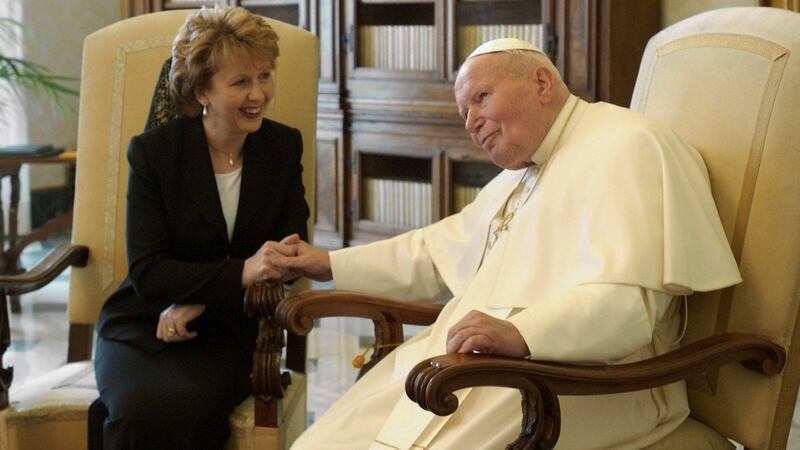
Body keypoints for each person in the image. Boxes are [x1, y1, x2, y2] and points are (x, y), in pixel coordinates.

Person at [276, 38, 742, 449]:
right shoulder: (518, 177)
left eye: (482, 98)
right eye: (464, 113)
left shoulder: (628, 145)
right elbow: (436, 253)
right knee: (323, 441)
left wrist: (523, 332)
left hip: (582, 380)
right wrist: (329, 262)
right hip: (479, 365)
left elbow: (630, 310)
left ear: (541, 83)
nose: (471, 122)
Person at [93, 7, 308, 449]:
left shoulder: (283, 147)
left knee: (178, 406)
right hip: (141, 324)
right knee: (135, 409)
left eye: (264, 76)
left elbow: (287, 256)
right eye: (241, 82)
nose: (259, 94)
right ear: (201, 91)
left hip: (230, 333)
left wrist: (197, 301)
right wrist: (242, 271)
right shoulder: (155, 154)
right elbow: (150, 274)